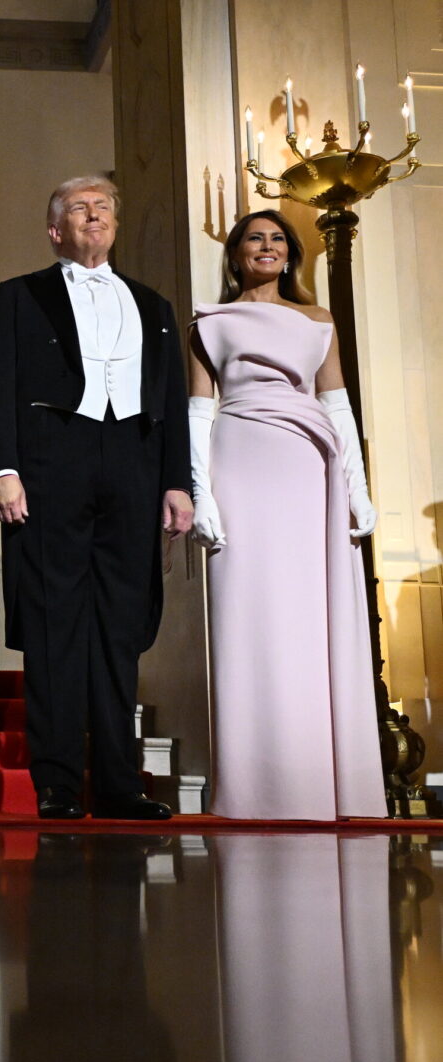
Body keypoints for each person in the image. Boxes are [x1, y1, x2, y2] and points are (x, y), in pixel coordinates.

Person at [0, 176, 193, 821]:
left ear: (115, 225)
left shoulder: (153, 305)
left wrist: (177, 481)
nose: (94, 214)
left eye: (103, 207)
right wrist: (3, 469)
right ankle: (58, 783)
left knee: (119, 628)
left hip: (132, 465)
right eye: (79, 208)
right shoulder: (20, 295)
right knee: (54, 626)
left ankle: (121, 784)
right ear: (55, 231)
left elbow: (171, 398)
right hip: (52, 464)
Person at [188, 209, 386, 820]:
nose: (267, 246)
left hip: (307, 469)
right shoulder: (209, 322)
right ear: (236, 253)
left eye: (277, 239)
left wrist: (357, 488)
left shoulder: (317, 320)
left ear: (290, 256)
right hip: (238, 464)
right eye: (255, 238)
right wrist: (201, 493)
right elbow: (198, 411)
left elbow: (338, 405)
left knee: (309, 616)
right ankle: (253, 788)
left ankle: (319, 782)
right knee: (247, 614)